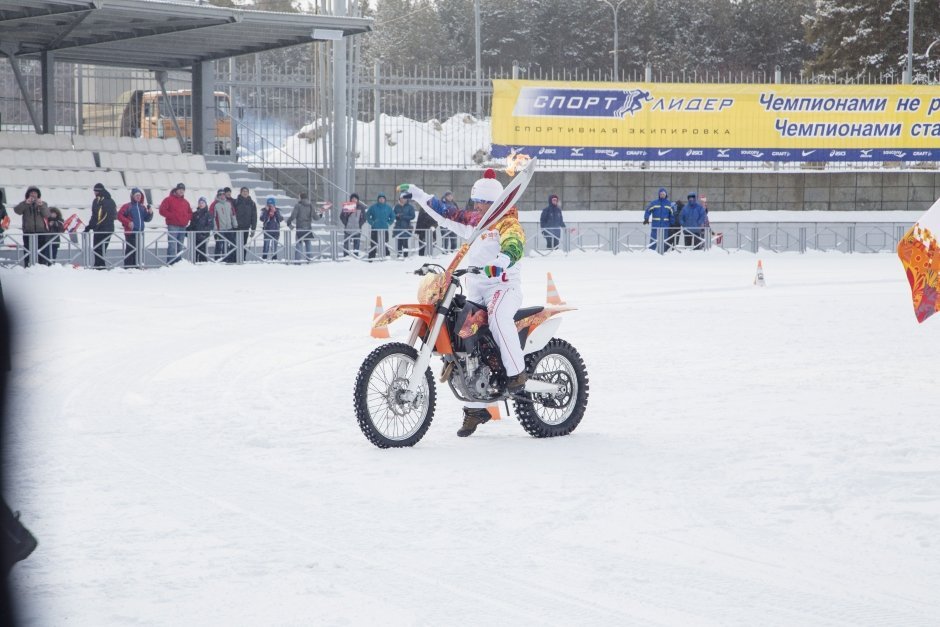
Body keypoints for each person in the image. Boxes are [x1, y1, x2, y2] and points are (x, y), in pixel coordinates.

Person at [398, 168, 527, 438]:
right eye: (475, 202)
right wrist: (420, 196)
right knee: (465, 341)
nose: (477, 206)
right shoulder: (474, 221)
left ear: (495, 202)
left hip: (503, 286)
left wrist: (501, 262)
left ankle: (517, 374)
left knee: (498, 318)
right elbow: (446, 213)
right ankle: (475, 407)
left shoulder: (507, 221)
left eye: (482, 202)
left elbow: (515, 243)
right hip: (476, 288)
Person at [13, 187, 50, 267]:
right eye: (31, 193)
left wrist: (41, 205)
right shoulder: (24, 203)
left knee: (41, 251)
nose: (33, 194)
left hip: (41, 232)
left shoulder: (44, 203)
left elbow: (47, 214)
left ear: (38, 194)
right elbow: (17, 211)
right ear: (28, 194)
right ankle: (27, 265)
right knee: (27, 250)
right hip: (28, 232)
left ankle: (42, 266)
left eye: (35, 193)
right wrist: (26, 203)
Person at [117, 188, 153, 268]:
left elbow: (147, 219)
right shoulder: (127, 206)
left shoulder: (142, 207)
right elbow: (119, 215)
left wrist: (150, 213)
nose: (138, 197)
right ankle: (128, 266)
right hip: (130, 232)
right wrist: (128, 222)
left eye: (139, 195)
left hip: (140, 232)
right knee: (130, 250)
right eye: (136, 195)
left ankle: (136, 266)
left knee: (138, 250)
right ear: (132, 196)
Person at [159, 183, 192, 265]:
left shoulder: (186, 202)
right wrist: (171, 216)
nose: (181, 191)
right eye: (180, 189)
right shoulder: (168, 199)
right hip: (173, 225)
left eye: (183, 190)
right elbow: (162, 210)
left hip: (183, 226)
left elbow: (190, 213)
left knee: (180, 245)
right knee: (172, 245)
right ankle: (171, 263)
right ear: (176, 190)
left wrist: (186, 218)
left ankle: (178, 263)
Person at [85, 182, 117, 269]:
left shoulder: (103, 201)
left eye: (95, 191)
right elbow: (95, 215)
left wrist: (92, 226)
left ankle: (100, 266)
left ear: (98, 191)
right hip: (104, 228)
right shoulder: (104, 201)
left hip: (103, 229)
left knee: (99, 249)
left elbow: (101, 216)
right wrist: (90, 226)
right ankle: (99, 266)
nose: (94, 193)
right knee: (99, 249)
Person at [286, 192, 320, 262]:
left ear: (301, 198)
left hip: (300, 228)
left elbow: (293, 216)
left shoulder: (298, 205)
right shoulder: (310, 206)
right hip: (308, 228)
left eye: (299, 197)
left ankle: (298, 261)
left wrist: (288, 222)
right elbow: (316, 218)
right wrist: (320, 216)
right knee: (308, 244)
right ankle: (309, 259)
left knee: (299, 244)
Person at [643, 187, 676, 252]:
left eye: (663, 194)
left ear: (666, 195)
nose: (662, 195)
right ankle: (651, 252)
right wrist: (646, 218)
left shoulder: (669, 203)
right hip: (655, 226)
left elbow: (672, 214)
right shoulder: (654, 203)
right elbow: (648, 210)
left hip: (665, 226)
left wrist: (672, 224)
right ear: (659, 195)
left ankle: (663, 253)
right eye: (661, 194)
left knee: (664, 240)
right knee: (653, 240)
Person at [211, 188, 237, 263]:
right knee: (219, 244)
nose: (222, 196)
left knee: (232, 244)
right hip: (220, 229)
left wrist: (234, 223)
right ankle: (217, 259)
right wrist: (215, 227)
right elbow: (212, 216)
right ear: (218, 195)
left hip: (229, 228)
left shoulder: (229, 203)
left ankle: (229, 258)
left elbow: (233, 214)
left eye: (223, 194)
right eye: (220, 194)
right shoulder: (214, 204)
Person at [365, 193, 395, 260]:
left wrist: (389, 223)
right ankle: (371, 258)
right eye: (380, 198)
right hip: (375, 229)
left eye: (383, 198)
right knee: (373, 244)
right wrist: (372, 223)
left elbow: (393, 216)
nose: (381, 199)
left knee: (385, 244)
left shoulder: (388, 208)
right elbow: (367, 215)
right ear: (378, 199)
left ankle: (386, 258)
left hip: (384, 229)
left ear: (385, 199)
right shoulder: (373, 207)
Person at [341, 193, 365, 257]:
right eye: (353, 198)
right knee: (346, 244)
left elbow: (364, 218)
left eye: (355, 198)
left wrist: (359, 224)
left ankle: (356, 256)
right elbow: (342, 216)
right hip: (348, 229)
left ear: (357, 199)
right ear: (351, 199)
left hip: (357, 229)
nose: (354, 199)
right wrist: (346, 223)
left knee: (356, 244)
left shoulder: (361, 207)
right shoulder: (347, 206)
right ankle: (345, 256)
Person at [234, 186, 257, 253]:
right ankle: (236, 259)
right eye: (243, 191)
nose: (245, 193)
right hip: (237, 227)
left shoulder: (252, 203)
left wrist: (253, 228)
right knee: (236, 244)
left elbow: (254, 216)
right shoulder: (236, 202)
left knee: (244, 244)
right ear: (240, 192)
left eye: (246, 191)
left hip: (246, 227)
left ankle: (243, 259)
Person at [189, 197, 212, 262]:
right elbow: (192, 225)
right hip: (195, 236)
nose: (201, 204)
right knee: (195, 252)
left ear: (205, 204)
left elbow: (210, 225)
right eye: (200, 203)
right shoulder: (195, 214)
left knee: (203, 252)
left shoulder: (208, 214)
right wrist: (187, 231)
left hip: (204, 236)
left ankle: (203, 265)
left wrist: (203, 232)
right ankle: (194, 264)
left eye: (203, 203)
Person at [393, 193, 415, 258]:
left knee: (405, 242)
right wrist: (397, 216)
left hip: (406, 227)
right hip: (398, 227)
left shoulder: (410, 207)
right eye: (402, 198)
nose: (403, 200)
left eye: (404, 198)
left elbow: (413, 216)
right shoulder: (396, 207)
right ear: (399, 199)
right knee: (399, 243)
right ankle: (399, 256)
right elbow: (393, 215)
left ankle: (405, 256)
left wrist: (403, 216)